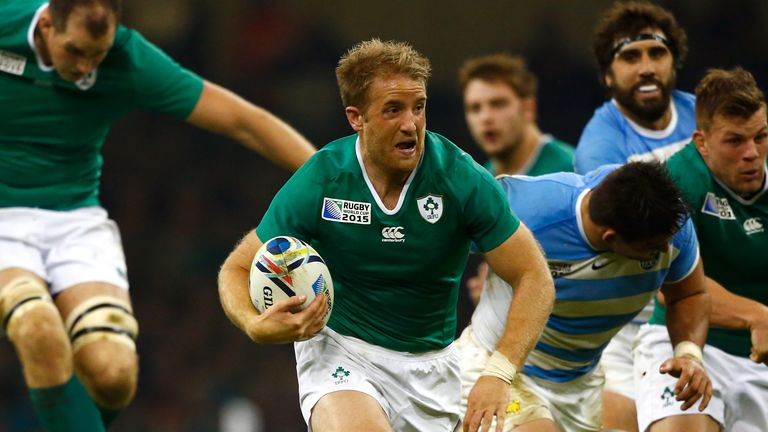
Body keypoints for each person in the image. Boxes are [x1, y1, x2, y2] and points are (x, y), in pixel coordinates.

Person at [0, 0, 315, 431]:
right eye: (75, 51)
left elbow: (244, 121)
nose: (85, 66)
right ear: (48, 22)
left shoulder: (127, 58)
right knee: (38, 329)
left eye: (97, 53)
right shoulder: (5, 21)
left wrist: (331, 184)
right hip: (4, 219)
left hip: (74, 222)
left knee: (113, 377)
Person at [217, 39, 555, 432]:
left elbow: (535, 276)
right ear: (356, 117)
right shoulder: (324, 177)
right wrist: (253, 324)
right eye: (393, 110)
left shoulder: (461, 180)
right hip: (342, 352)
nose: (411, 124)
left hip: (434, 371)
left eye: (419, 107)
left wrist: (500, 371)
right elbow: (238, 267)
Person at [457, 162, 713, 431]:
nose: (666, 249)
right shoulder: (526, 209)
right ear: (610, 238)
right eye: (652, 248)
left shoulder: (669, 224)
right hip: (495, 364)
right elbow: (441, 236)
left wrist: (689, 353)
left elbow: (689, 294)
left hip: (580, 385)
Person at [575, 3, 696, 429]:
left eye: (656, 54)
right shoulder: (600, 149)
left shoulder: (707, 120)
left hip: (694, 304)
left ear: (673, 62)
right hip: (629, 318)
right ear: (608, 75)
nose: (646, 67)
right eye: (630, 57)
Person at [635, 68, 768, 432]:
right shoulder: (675, 183)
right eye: (735, 141)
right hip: (685, 343)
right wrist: (756, 315)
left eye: (761, 137)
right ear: (702, 141)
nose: (752, 154)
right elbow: (672, 288)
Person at [458, 53, 575, 305]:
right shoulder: (482, 180)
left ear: (528, 108)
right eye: (474, 108)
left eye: (498, 104)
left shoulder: (571, 169)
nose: (486, 117)